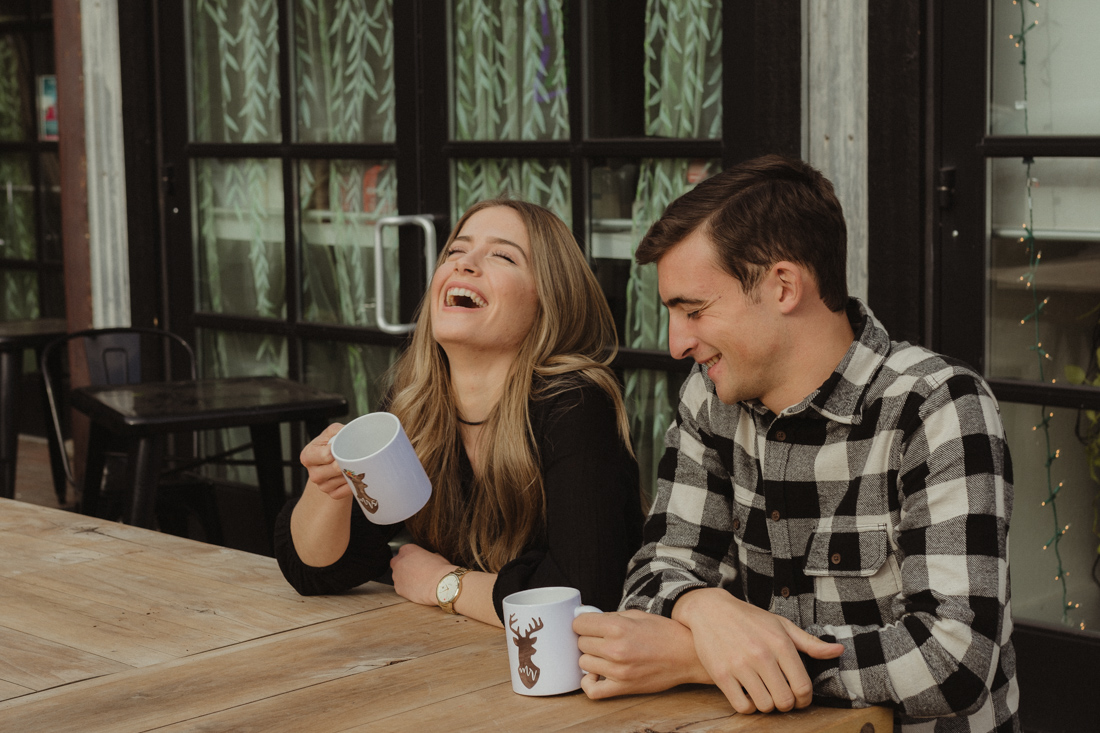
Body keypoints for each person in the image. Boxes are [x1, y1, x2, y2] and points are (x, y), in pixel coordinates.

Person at [574, 155, 1019, 733]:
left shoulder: (938, 406)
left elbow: (954, 661)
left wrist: (703, 658)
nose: (676, 343)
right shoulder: (708, 399)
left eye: (694, 310)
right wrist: (700, 607)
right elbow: (656, 573)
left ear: (783, 285)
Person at [275, 199, 644, 626]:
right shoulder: (415, 404)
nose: (464, 265)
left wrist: (444, 583)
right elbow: (314, 572)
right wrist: (327, 488)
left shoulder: (575, 403)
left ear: (549, 299)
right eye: (455, 251)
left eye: (502, 255)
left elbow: (583, 596)